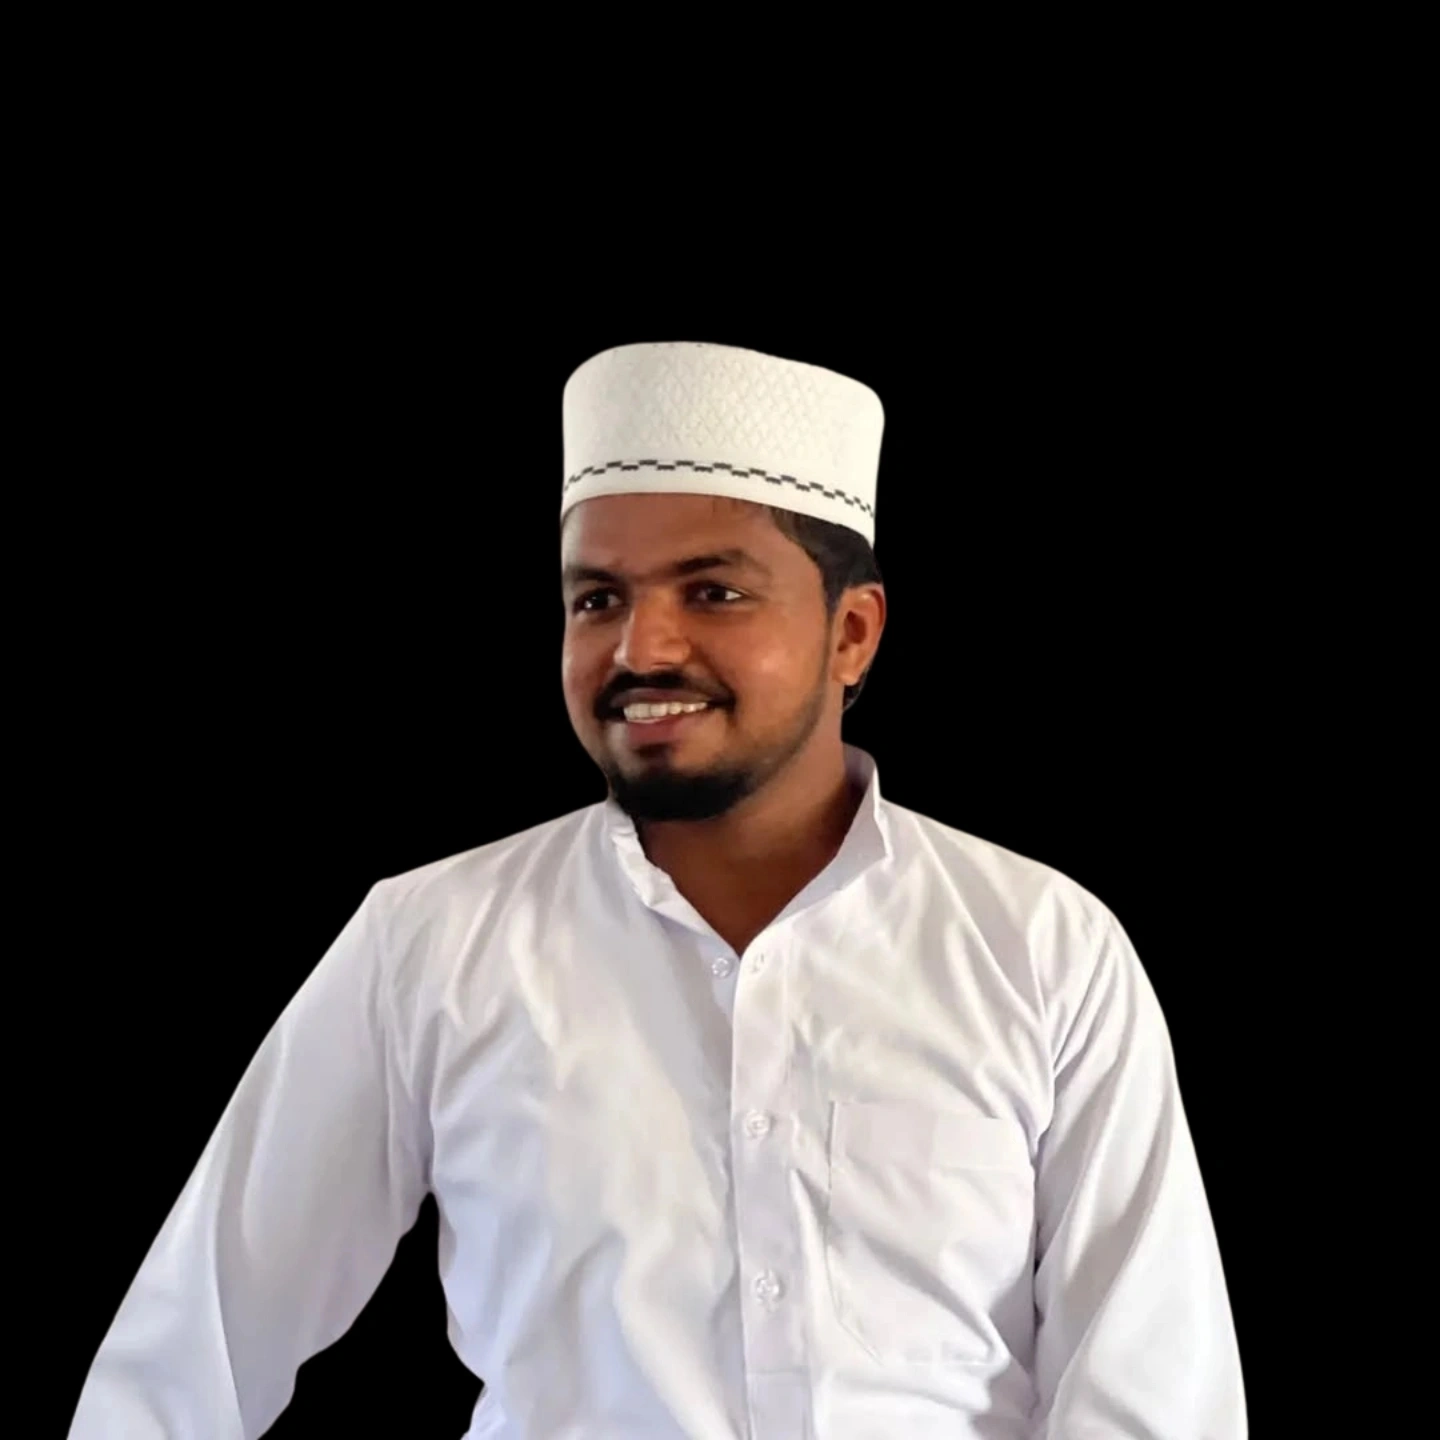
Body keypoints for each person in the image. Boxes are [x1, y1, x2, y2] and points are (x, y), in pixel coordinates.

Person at [69, 341, 1247, 1438]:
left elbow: (1153, 1397)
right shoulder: (431, 941)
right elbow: (186, 1357)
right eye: (597, 599)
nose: (641, 648)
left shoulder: (1040, 945)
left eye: (712, 592)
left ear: (851, 633)